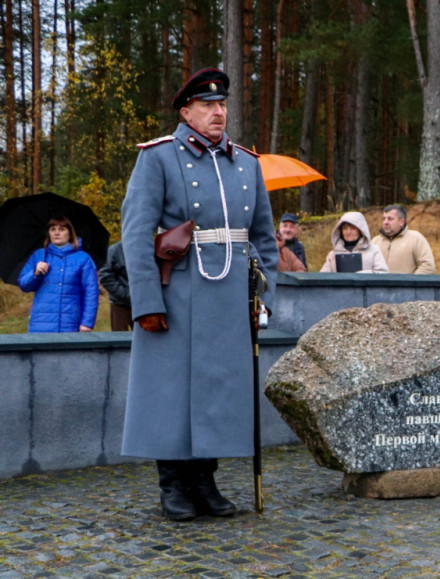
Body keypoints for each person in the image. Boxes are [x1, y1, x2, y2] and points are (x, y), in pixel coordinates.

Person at [120, 68, 278, 521]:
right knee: (170, 392)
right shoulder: (158, 157)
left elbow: (264, 238)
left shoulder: (246, 163)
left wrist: (264, 296)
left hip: (230, 297)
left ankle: (205, 482)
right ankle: (173, 485)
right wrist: (146, 302)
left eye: (222, 104)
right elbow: (136, 234)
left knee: (218, 390)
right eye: (207, 105)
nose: (218, 112)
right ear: (186, 112)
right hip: (176, 293)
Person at [17, 216, 100, 333]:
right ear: (48, 233)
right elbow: (24, 285)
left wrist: (87, 323)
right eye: (52, 229)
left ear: (70, 233)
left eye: (61, 229)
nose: (56, 233)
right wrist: (35, 273)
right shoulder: (39, 255)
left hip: (70, 322)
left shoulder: (83, 259)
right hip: (40, 323)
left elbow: (91, 292)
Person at [371, 204, 435, 274]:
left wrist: (410, 281)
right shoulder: (375, 241)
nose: (385, 222)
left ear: (401, 222)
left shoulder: (416, 238)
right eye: (384, 219)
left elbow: (427, 266)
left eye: (390, 219)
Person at [320, 211, 389, 273]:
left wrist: (363, 275)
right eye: (345, 228)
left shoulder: (373, 250)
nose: (348, 232)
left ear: (360, 230)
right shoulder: (333, 255)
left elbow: (383, 274)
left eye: (353, 228)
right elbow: (322, 278)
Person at [98, 241, 133, 330]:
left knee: (148, 336)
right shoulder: (115, 250)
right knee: (119, 336)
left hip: (145, 304)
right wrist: (126, 294)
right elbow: (106, 276)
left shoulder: (150, 248)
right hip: (120, 304)